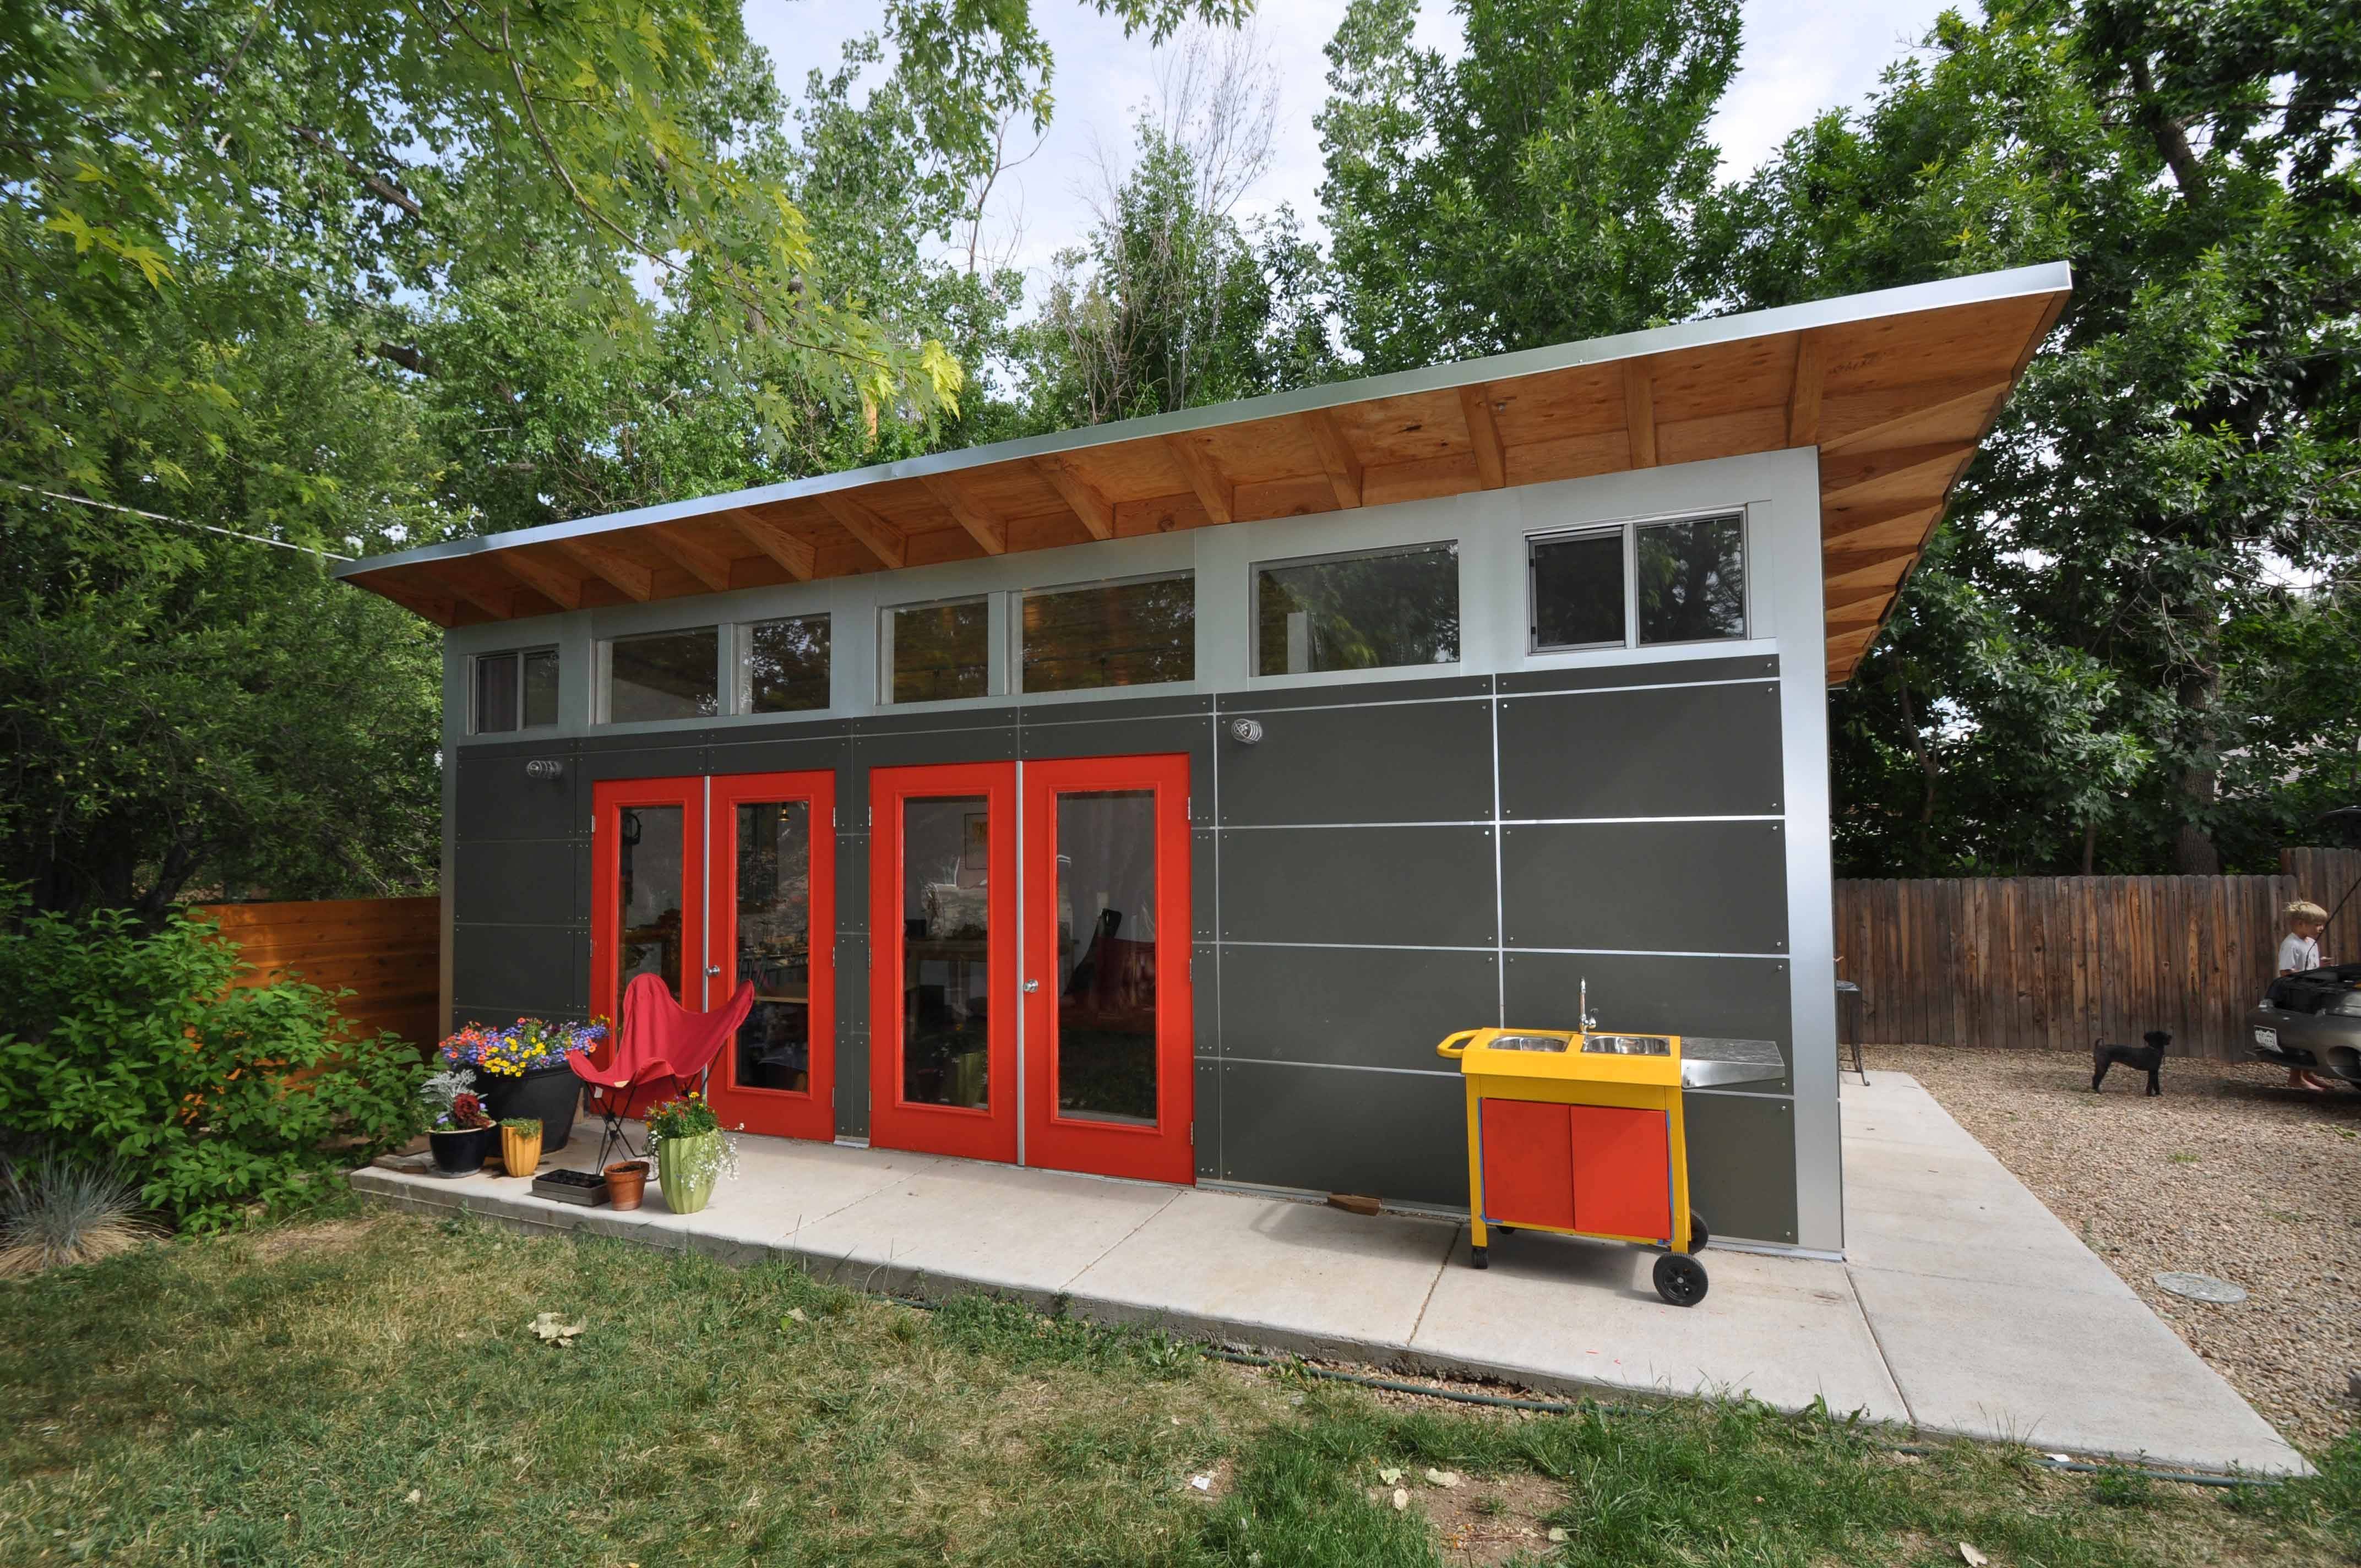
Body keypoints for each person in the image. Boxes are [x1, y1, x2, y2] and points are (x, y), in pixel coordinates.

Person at [2277, 899, 2336, 1091]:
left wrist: (2321, 967)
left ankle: (2308, 1074)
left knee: (2311, 1034)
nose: (2321, 928)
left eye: (2322, 924)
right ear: (2301, 923)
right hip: (2297, 996)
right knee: (2300, 1035)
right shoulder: (2291, 944)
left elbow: (2308, 967)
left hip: (2311, 994)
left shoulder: (2311, 942)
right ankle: (2295, 1078)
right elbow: (2286, 972)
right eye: (2317, 924)